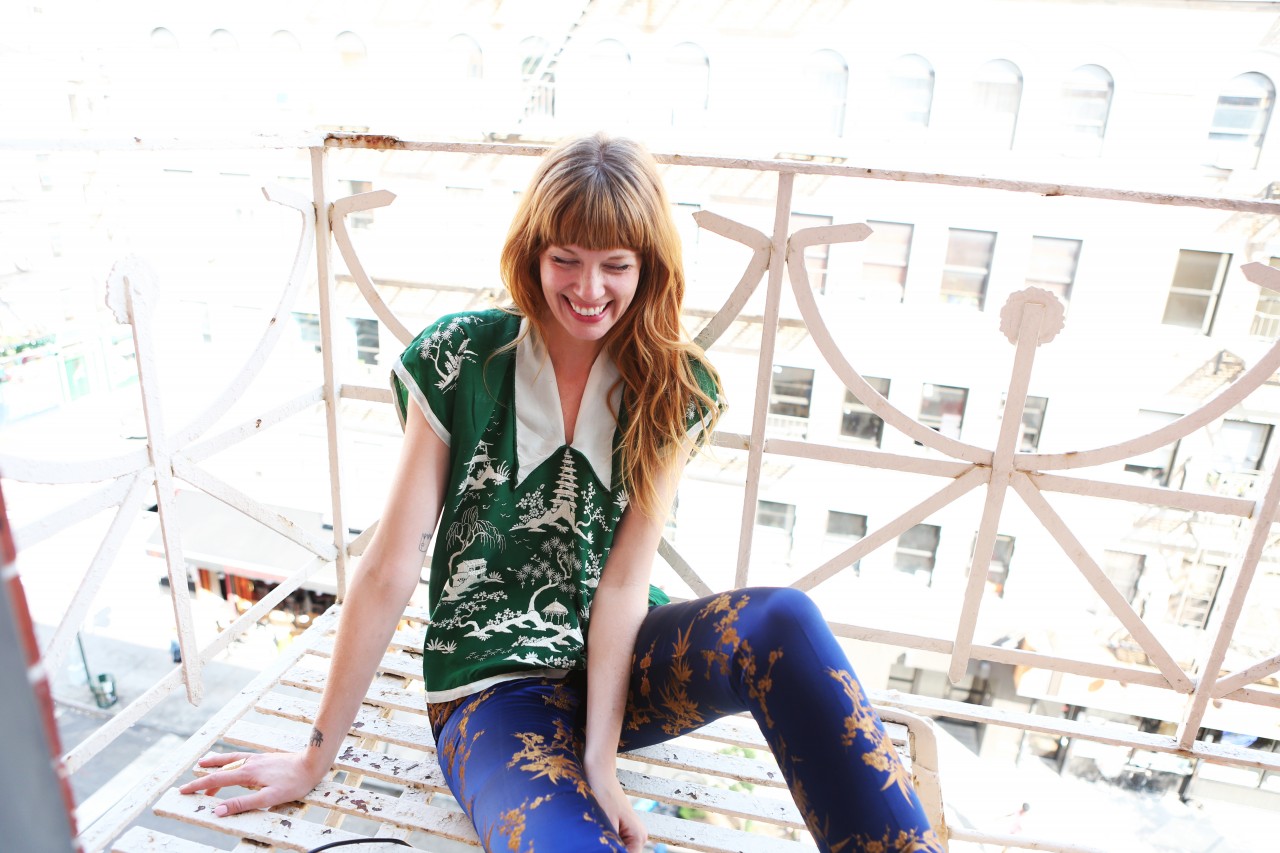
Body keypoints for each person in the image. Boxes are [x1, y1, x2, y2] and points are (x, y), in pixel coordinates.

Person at [180, 133, 942, 853]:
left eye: (615, 264)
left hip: (619, 666)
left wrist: (600, 760)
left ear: (648, 266)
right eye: (566, 259)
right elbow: (390, 566)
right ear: (534, 254)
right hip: (490, 687)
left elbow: (624, 584)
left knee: (781, 621)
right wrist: (314, 756)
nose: (589, 288)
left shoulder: (671, 386)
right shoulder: (461, 358)